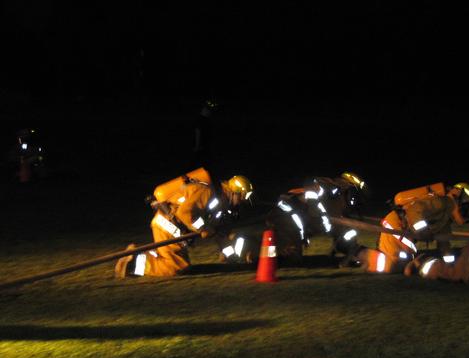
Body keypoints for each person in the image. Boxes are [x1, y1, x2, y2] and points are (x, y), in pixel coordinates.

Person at [114, 168, 254, 278]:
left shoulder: (220, 204)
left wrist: (231, 257)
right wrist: (203, 228)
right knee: (176, 267)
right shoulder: (208, 193)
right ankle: (133, 263)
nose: (244, 201)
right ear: (234, 192)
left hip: (170, 226)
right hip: (167, 225)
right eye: (244, 197)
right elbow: (185, 213)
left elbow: (219, 235)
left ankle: (135, 254)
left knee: (177, 262)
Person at [355, 182, 469, 273]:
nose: (466, 211)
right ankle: (358, 253)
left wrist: (450, 265)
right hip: (395, 226)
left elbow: (444, 243)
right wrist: (423, 230)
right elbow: (415, 210)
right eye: (467, 206)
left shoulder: (445, 216)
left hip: (403, 232)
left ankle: (360, 257)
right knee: (393, 266)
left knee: (402, 265)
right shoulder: (441, 202)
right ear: (460, 199)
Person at [265, 172, 369, 264]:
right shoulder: (326, 189)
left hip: (291, 214)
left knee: (293, 252)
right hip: (285, 215)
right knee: (292, 257)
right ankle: (270, 259)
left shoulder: (334, 193)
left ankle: (272, 258)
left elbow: (325, 214)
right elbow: (315, 210)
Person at [191, 98, 219, 169]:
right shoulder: (200, 119)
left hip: (205, 145)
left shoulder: (207, 120)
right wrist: (197, 145)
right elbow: (198, 132)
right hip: (201, 146)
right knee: (198, 162)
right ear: (204, 110)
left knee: (205, 162)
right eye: (207, 110)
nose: (209, 112)